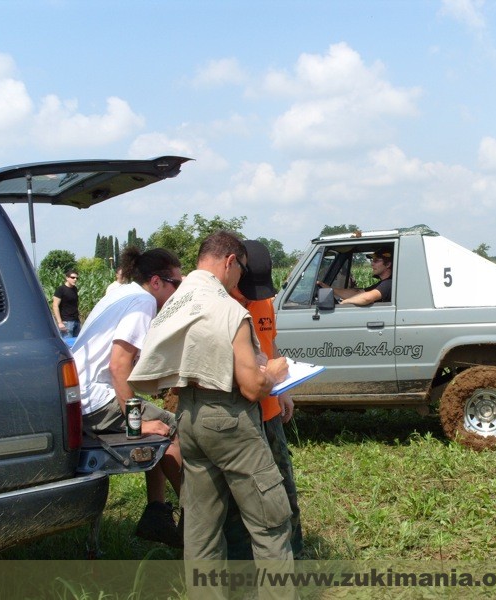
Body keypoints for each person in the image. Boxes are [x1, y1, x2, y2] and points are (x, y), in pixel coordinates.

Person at [127, 231, 295, 585]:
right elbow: (251, 387)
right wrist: (275, 373)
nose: (240, 281)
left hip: (189, 415)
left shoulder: (176, 299)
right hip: (229, 418)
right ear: (230, 261)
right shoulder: (228, 309)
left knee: (202, 530)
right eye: (240, 270)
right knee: (271, 522)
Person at [71, 247, 184, 547]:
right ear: (157, 282)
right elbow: (118, 366)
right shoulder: (144, 302)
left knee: (157, 423)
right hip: (94, 399)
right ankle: (196, 516)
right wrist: (137, 425)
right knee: (173, 430)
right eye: (178, 284)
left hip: (78, 396)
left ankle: (157, 514)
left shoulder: (120, 294)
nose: (179, 291)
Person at [223, 240, 303, 561]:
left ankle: (295, 556)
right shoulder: (222, 307)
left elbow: (272, 346)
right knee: (244, 497)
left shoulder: (264, 302)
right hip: (242, 417)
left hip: (269, 413)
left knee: (286, 488)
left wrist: (283, 390)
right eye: (247, 291)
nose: (253, 298)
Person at [318, 249, 393, 305]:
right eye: (372, 261)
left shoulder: (389, 283)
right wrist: (329, 289)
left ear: (388, 264)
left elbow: (367, 298)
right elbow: (357, 293)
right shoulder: (381, 283)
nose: (372, 264)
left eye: (376, 261)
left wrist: (346, 301)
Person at [53, 269, 80, 338]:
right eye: (73, 277)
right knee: (68, 345)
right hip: (66, 322)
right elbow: (55, 306)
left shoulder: (75, 289)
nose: (75, 279)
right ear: (67, 278)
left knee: (77, 345)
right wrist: (60, 322)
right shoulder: (61, 289)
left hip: (76, 321)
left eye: (77, 278)